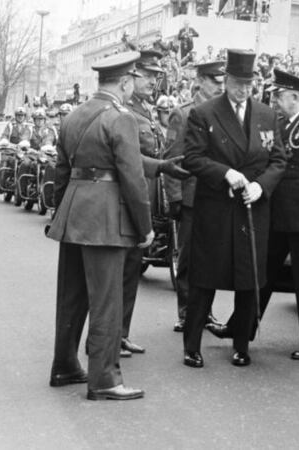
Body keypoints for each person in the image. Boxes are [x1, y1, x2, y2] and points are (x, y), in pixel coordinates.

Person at [210, 69, 299, 360]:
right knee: (260, 275)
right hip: (277, 216)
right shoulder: (280, 124)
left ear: (295, 97)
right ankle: (240, 327)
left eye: (279, 96)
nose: (275, 101)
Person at [47, 51, 152, 401]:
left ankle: (64, 366)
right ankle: (104, 379)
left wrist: (61, 214)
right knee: (107, 300)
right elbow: (133, 179)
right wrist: (145, 226)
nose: (133, 86)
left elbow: (61, 171)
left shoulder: (74, 115)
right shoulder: (121, 118)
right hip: (106, 219)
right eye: (133, 80)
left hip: (73, 213)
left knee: (71, 297)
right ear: (124, 82)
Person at [181, 49, 286, 368]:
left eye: (249, 84)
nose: (244, 90)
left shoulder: (267, 115)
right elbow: (193, 158)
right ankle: (192, 346)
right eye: (238, 84)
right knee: (204, 279)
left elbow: (279, 160)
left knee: (248, 280)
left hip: (252, 210)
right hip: (217, 209)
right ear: (226, 81)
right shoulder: (204, 113)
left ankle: (241, 345)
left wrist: (261, 186)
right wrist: (225, 173)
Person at [121, 49, 190, 358]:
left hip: (147, 196)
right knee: (122, 272)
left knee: (131, 271)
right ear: (131, 76)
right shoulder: (125, 111)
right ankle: (111, 336)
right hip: (131, 197)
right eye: (147, 76)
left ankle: (121, 334)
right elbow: (130, 159)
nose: (153, 82)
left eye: (155, 77)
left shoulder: (145, 110)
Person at [163, 60, 226, 333]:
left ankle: (206, 312)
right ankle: (187, 312)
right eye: (215, 81)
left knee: (212, 258)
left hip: (216, 196)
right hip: (190, 196)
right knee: (188, 258)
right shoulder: (183, 114)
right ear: (199, 81)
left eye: (222, 82)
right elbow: (172, 158)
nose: (220, 87)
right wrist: (175, 198)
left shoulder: (223, 112)